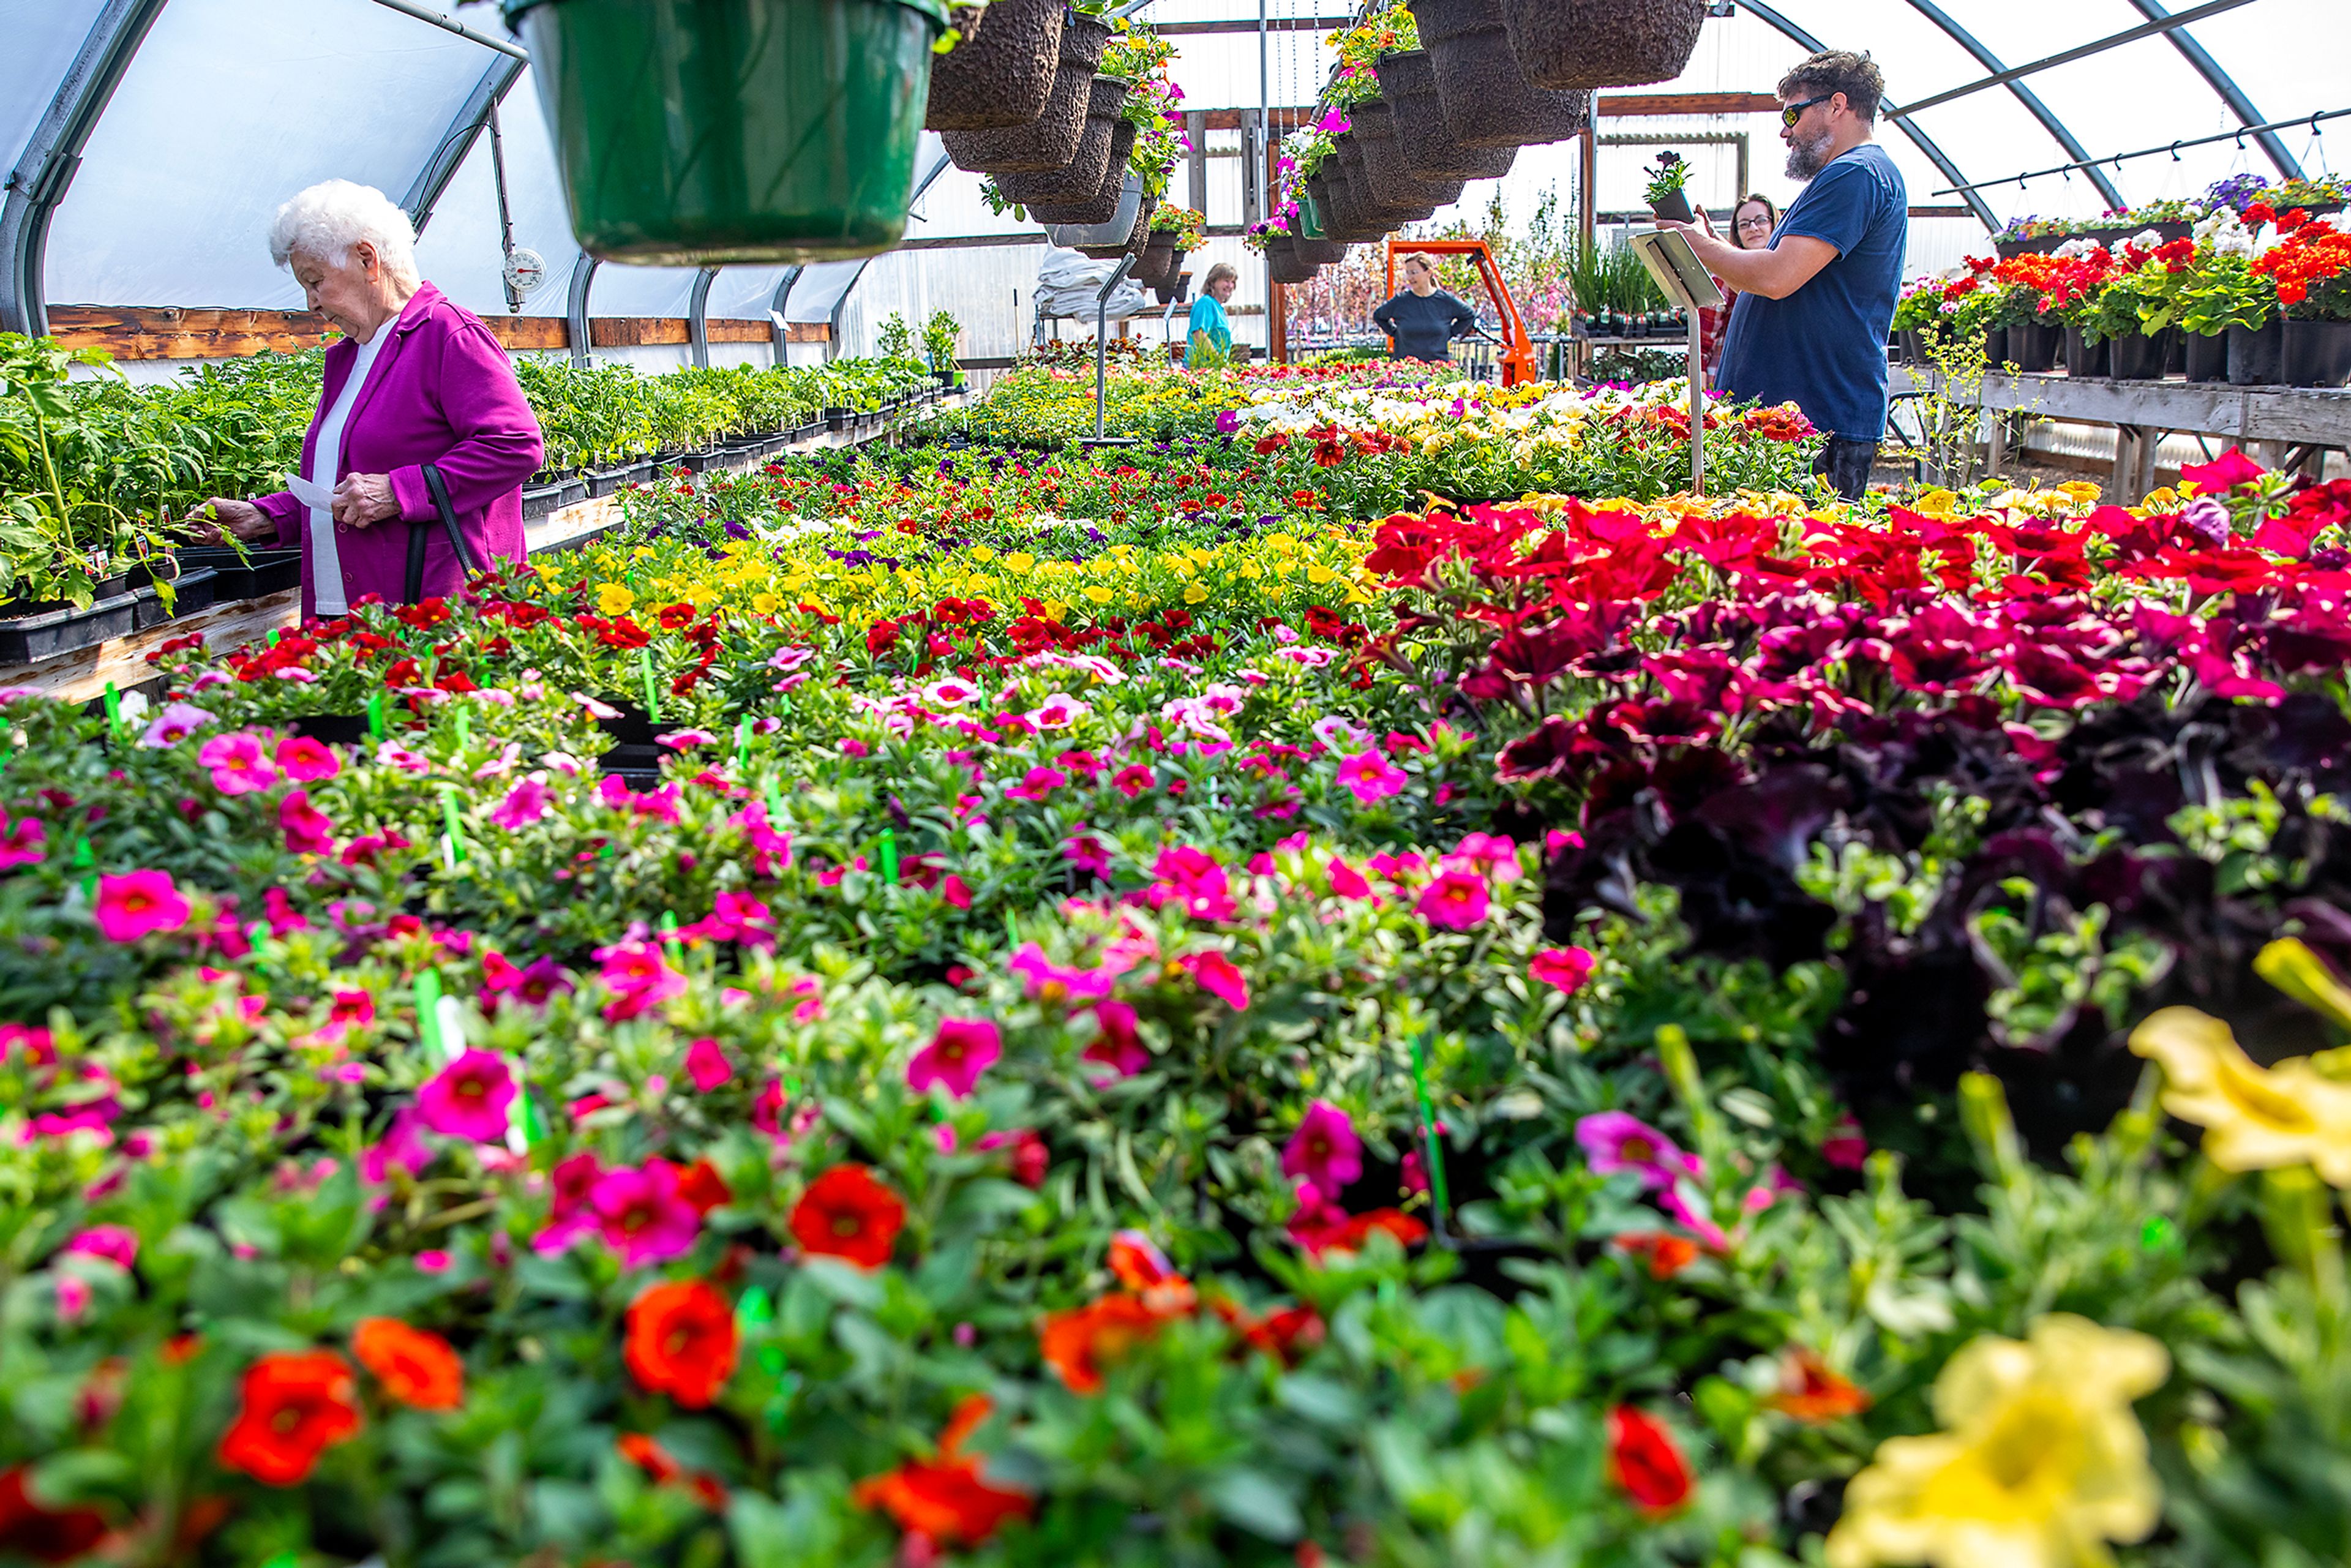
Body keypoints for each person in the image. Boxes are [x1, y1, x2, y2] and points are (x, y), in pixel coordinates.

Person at [190, 180, 542, 619]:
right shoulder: (353, 356)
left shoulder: (446, 335)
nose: (311, 303)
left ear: (366, 259)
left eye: (315, 282)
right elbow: (346, 484)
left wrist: (400, 491)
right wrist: (267, 517)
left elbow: (514, 445)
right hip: (351, 606)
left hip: (435, 607)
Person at [1662, 51, 1907, 500]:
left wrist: (1700, 245)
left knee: (1802, 560)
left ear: (1837, 105)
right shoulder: (1841, 178)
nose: (1785, 130)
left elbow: (1778, 278)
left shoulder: (1855, 174)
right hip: (1791, 421)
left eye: (1793, 113)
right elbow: (1776, 279)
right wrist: (1719, 247)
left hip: (1816, 423)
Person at [1699, 194, 1777, 381]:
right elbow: (1703, 339)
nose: (1753, 228)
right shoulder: (1723, 277)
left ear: (1774, 223)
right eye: (1744, 224)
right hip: (1733, 378)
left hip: (1778, 374)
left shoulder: (1794, 271)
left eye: (1761, 220)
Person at [1373, 253, 1478, 364]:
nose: (1410, 277)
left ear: (1429, 272)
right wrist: (1396, 334)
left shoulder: (1445, 300)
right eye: (1408, 273)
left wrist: (1450, 333)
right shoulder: (1400, 301)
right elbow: (1379, 316)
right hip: (1406, 370)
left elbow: (1469, 315)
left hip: (1438, 369)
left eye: (1414, 273)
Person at [1187, 263, 1237, 367]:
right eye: (1226, 281)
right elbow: (1199, 335)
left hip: (1214, 369)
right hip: (1202, 369)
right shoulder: (1206, 303)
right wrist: (1218, 362)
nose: (1230, 286)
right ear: (1213, 282)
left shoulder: (1219, 308)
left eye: (1233, 282)